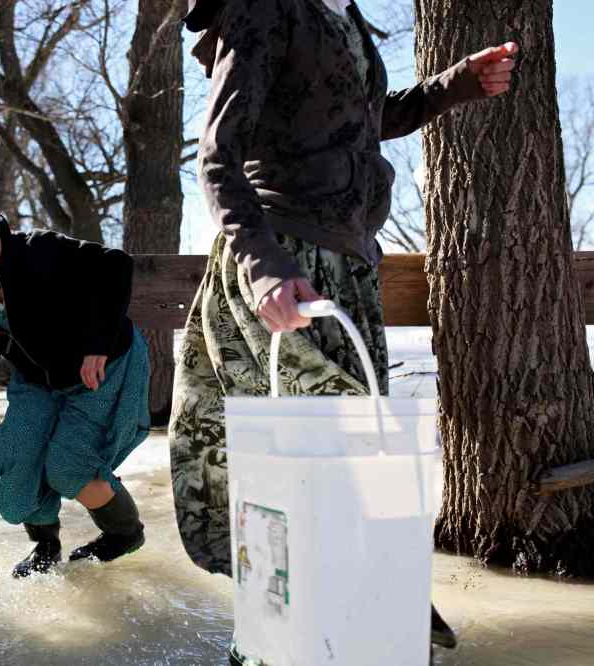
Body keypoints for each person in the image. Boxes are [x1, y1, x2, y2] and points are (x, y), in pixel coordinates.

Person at [170, 0, 517, 662]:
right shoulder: (268, 8)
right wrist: (264, 267)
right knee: (323, 460)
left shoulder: (346, 16)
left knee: (353, 460)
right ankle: (296, 639)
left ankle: (366, 621)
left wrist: (454, 86)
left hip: (351, 269)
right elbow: (218, 154)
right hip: (286, 268)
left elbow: (358, 116)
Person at [0, 187, 151, 579]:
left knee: (68, 466)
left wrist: (97, 345)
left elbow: (115, 265)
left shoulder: (39, 249)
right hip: (40, 381)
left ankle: (124, 533)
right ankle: (45, 542)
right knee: (15, 479)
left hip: (103, 365)